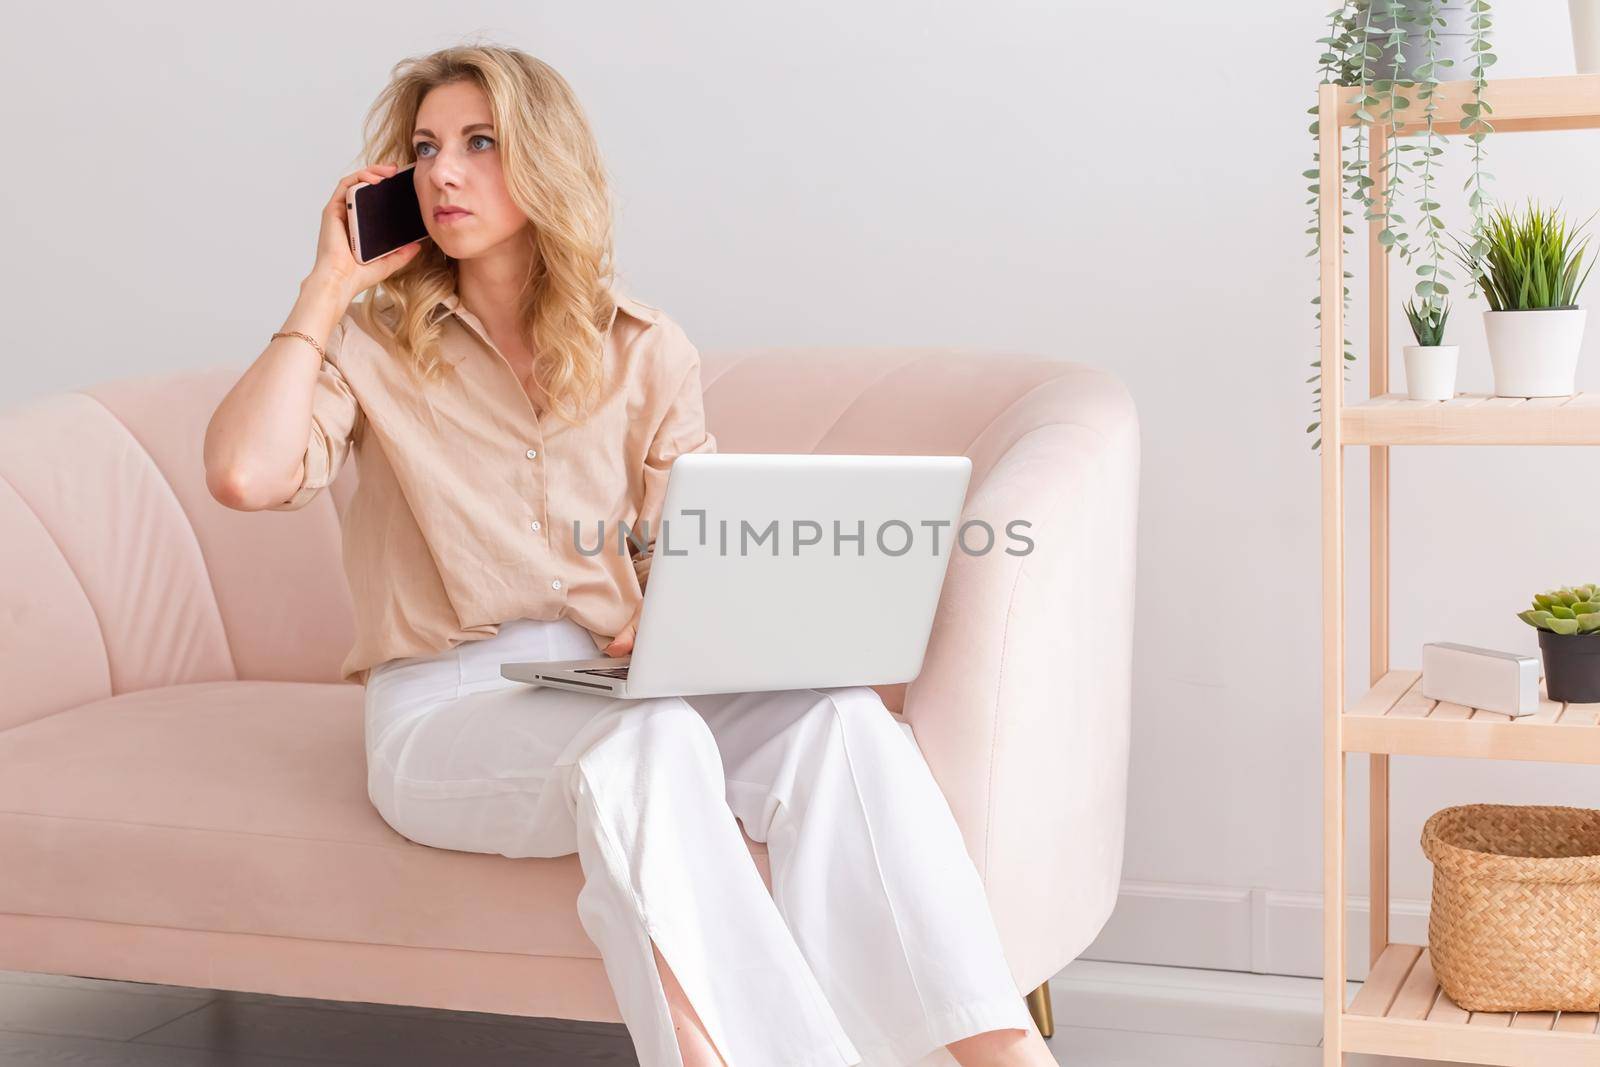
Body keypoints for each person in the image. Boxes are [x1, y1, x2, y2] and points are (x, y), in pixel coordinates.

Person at [203, 42, 1055, 1067]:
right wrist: (326, 284)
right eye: (424, 148)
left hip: (610, 678)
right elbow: (247, 475)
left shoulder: (644, 349)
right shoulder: (373, 346)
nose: (443, 172)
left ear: (543, 160)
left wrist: (675, 616)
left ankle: (1000, 1051)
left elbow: (688, 556)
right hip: (446, 704)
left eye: (480, 142)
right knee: (651, 743)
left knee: (838, 719)